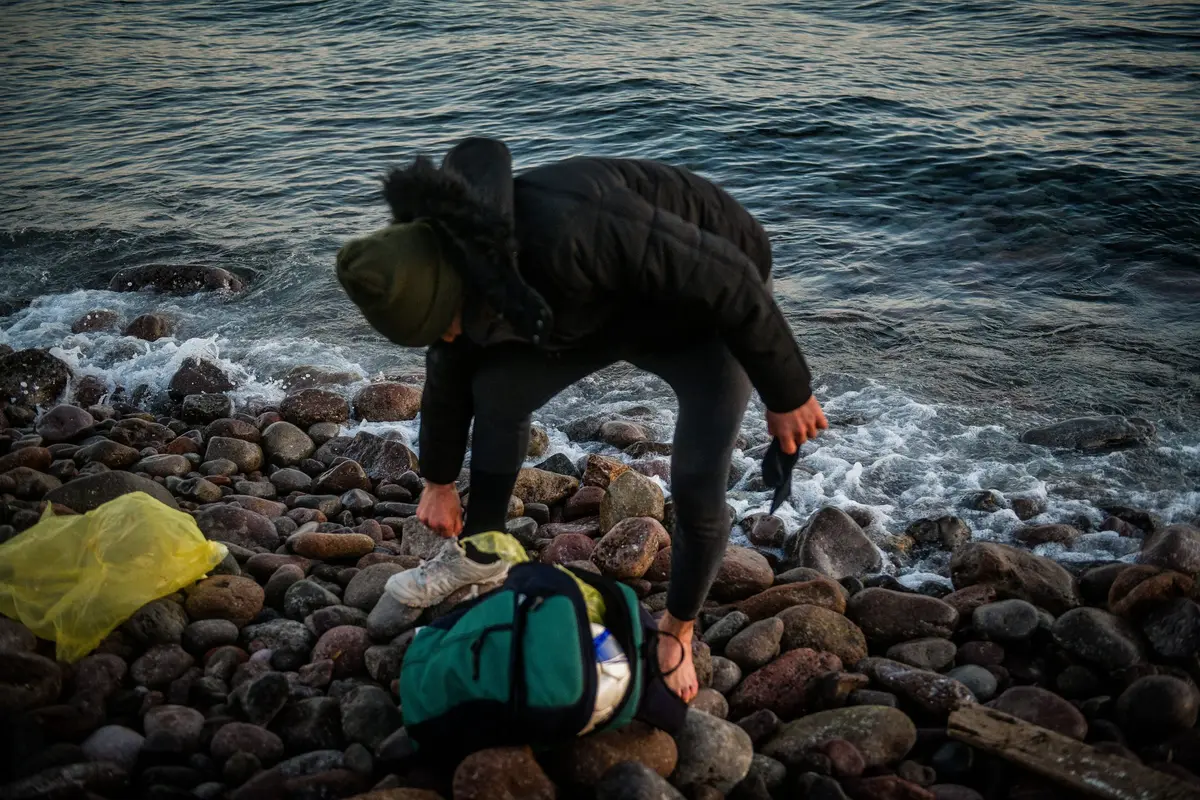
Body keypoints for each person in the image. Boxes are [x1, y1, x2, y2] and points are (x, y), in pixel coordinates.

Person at [336, 137, 827, 702]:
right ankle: (482, 555)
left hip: (703, 310)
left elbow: (731, 278)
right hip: (585, 307)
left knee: (695, 480)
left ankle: (677, 631)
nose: (446, 336)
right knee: (495, 390)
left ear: (461, 285)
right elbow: (448, 369)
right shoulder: (457, 274)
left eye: (444, 322)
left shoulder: (571, 229)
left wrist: (786, 391)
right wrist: (439, 480)